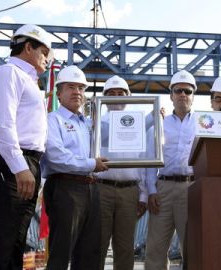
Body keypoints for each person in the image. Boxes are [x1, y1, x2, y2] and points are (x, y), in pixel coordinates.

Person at [0, 24, 53, 270]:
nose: (48, 59)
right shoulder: (8, 73)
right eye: (44, 52)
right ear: (28, 47)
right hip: (9, 161)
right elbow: (3, 123)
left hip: (24, 162)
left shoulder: (29, 82)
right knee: (0, 242)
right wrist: (20, 167)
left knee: (15, 244)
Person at [41, 65, 109, 270]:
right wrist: (91, 164)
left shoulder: (89, 124)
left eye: (81, 88)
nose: (77, 92)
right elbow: (55, 156)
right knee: (62, 252)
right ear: (59, 94)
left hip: (91, 188)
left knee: (90, 253)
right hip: (65, 187)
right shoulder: (53, 120)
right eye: (71, 87)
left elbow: (123, 131)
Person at [145, 70, 197, 270]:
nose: (183, 94)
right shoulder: (160, 125)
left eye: (187, 91)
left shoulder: (204, 123)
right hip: (163, 189)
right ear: (171, 95)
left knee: (192, 247)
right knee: (156, 247)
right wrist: (151, 190)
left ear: (193, 95)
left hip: (192, 189)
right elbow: (151, 160)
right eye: (178, 91)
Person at [96, 75, 148, 270]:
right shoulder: (96, 123)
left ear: (128, 97)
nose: (116, 98)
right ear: (104, 98)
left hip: (129, 192)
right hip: (102, 190)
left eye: (121, 93)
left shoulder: (141, 124)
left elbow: (144, 161)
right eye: (111, 94)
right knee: (98, 245)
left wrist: (143, 194)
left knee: (125, 247)